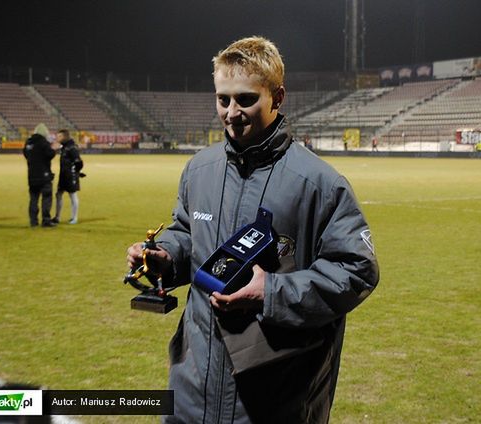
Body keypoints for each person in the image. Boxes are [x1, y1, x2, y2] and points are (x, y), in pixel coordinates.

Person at [126, 37, 379, 423]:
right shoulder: (199, 169)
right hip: (193, 389)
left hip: (274, 400)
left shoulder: (320, 183)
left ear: (277, 97)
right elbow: (187, 235)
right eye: (222, 99)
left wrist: (273, 292)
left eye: (245, 99)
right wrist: (165, 256)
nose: (231, 112)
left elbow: (357, 270)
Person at [23, 123, 56, 227]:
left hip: (32, 175)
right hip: (44, 175)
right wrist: (53, 148)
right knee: (46, 197)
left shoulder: (28, 142)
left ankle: (33, 221)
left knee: (33, 199)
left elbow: (26, 154)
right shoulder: (43, 142)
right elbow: (50, 154)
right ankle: (46, 220)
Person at [53, 129, 83, 225]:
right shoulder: (64, 147)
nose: (57, 138)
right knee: (58, 194)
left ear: (65, 137)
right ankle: (57, 217)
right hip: (63, 175)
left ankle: (74, 218)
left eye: (59, 136)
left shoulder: (71, 147)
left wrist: (76, 172)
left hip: (71, 176)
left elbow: (79, 162)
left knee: (72, 195)